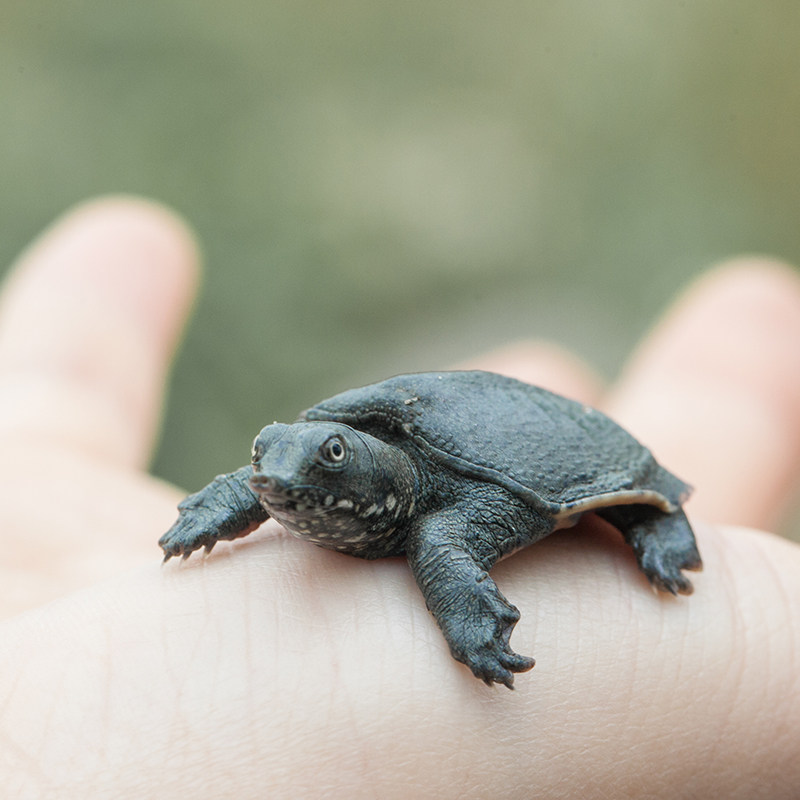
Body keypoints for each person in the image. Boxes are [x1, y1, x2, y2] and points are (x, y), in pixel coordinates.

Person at [0, 197, 798, 798]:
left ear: (367, 465)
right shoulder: (288, 473)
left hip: (506, 455)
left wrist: (471, 630)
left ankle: (656, 519)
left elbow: (441, 543)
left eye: (331, 456)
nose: (280, 478)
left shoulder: (439, 511)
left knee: (478, 535)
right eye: (264, 463)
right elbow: (276, 475)